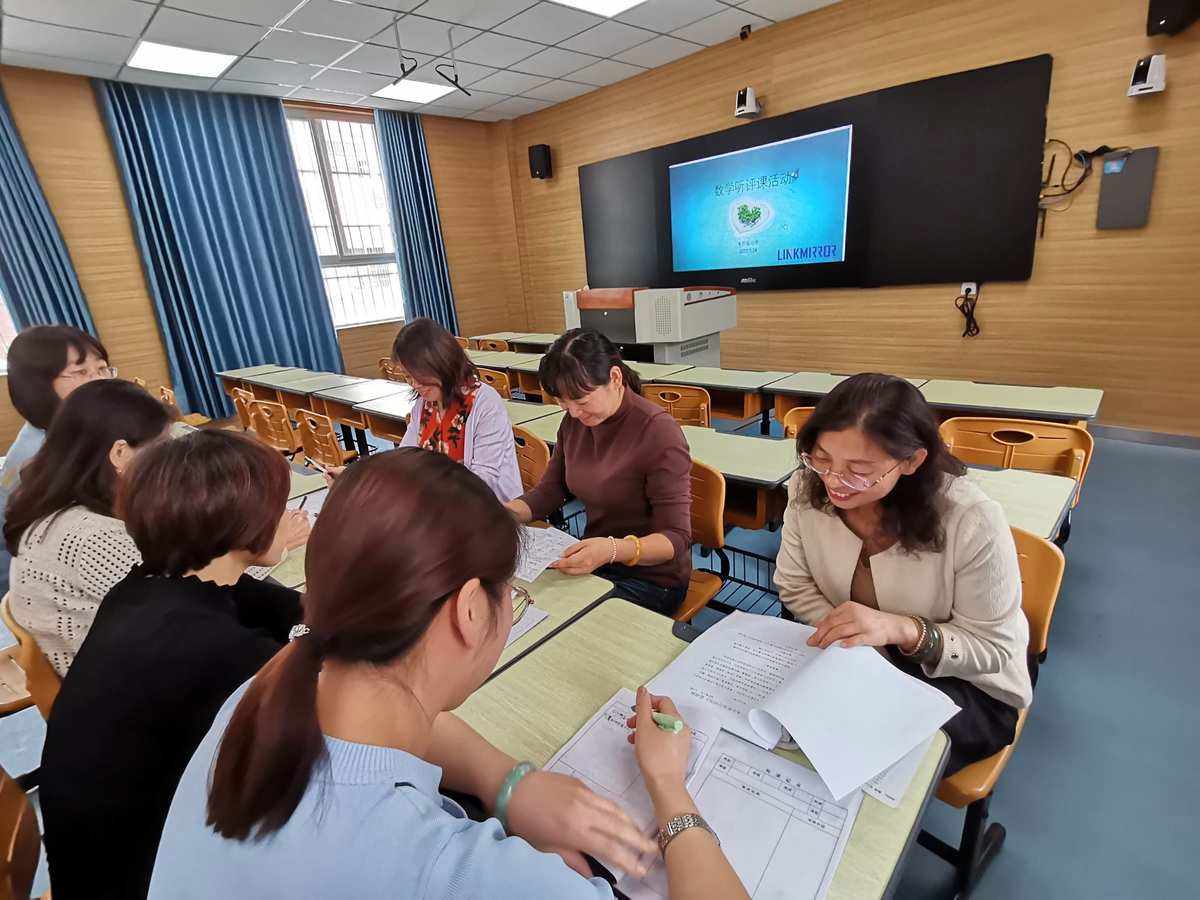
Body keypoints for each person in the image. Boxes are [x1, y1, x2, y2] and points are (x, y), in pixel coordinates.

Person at [151, 449, 747, 900]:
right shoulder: (446, 869)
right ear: (468, 609)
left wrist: (507, 784)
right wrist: (669, 788)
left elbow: (396, 716)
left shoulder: (270, 688)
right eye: (507, 595)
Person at [39, 430, 309, 900]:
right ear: (241, 522)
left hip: (95, 860)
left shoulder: (149, 584)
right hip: (139, 878)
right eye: (279, 504)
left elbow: (293, 609)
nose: (288, 516)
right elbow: (329, 688)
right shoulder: (208, 647)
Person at [774, 373, 1032, 775]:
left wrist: (900, 631)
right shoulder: (807, 489)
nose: (833, 482)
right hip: (857, 659)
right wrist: (855, 642)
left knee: (854, 757)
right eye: (821, 457)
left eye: (859, 469)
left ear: (911, 461)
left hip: (967, 684)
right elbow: (795, 584)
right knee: (790, 732)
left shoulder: (970, 519)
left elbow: (993, 649)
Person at [505, 330, 692, 616]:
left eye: (581, 401)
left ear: (615, 379)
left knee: (559, 619)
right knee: (522, 601)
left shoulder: (658, 432)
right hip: (598, 561)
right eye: (563, 404)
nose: (574, 413)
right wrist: (507, 513)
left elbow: (675, 538)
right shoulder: (574, 422)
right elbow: (552, 489)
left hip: (652, 579)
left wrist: (612, 550)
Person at [0, 325, 112, 595]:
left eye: (102, 368)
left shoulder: (60, 429)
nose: (101, 381)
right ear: (38, 386)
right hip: (36, 581)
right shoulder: (43, 453)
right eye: (80, 372)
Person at [394, 317, 522, 502]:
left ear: (441, 363)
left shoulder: (485, 403)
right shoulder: (423, 404)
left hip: (487, 511)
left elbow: (483, 481)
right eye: (407, 377)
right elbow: (405, 458)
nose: (414, 384)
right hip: (441, 507)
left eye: (419, 375)